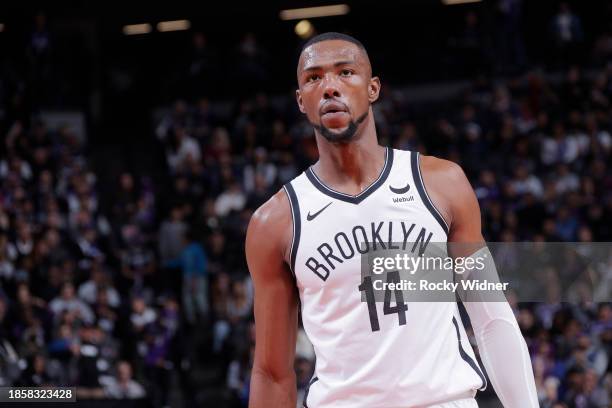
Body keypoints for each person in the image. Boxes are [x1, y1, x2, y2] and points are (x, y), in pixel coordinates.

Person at [246, 32, 538, 407]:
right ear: (302, 101)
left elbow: (491, 320)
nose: (330, 87)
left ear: (373, 89)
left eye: (345, 72)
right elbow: (272, 372)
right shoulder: (274, 222)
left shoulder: (440, 184)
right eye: (314, 78)